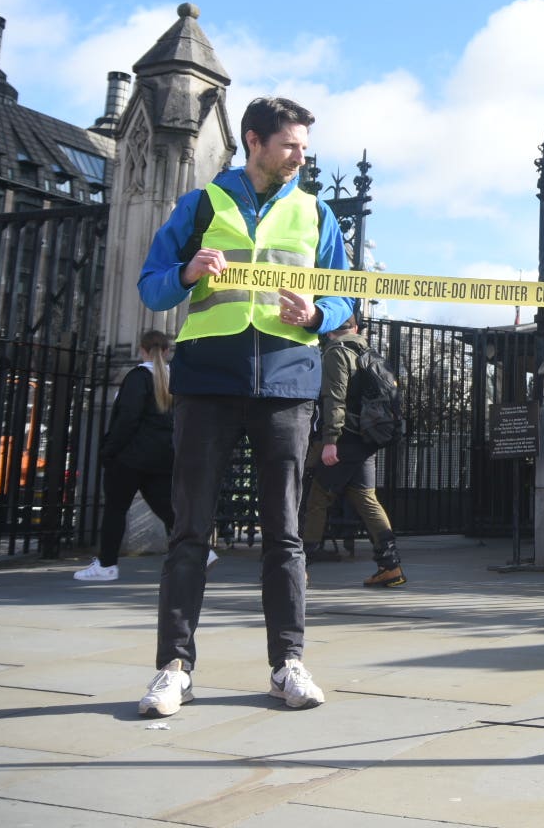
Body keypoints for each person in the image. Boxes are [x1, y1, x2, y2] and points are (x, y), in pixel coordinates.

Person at [134, 96, 352, 718]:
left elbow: (344, 296)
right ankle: (173, 669)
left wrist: (316, 313)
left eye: (305, 147)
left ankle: (288, 664)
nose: (301, 156)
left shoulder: (316, 212)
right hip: (206, 385)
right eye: (291, 145)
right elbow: (151, 282)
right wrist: (184, 273)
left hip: (287, 386)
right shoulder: (200, 204)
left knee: (284, 534)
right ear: (253, 142)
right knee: (189, 532)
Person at [302, 309, 406, 588]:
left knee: (316, 498)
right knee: (365, 497)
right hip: (366, 439)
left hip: (345, 438)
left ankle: (298, 567)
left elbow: (333, 398)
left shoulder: (337, 353)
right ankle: (390, 566)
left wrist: (330, 441)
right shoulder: (371, 354)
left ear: (329, 328)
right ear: (356, 327)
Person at [76, 331, 177, 582]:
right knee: (168, 508)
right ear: (166, 351)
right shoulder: (175, 380)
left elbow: (128, 418)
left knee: (115, 510)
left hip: (130, 457)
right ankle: (201, 551)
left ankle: (107, 565)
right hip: (163, 456)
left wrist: (109, 450)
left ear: (141, 350)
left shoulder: (138, 378)